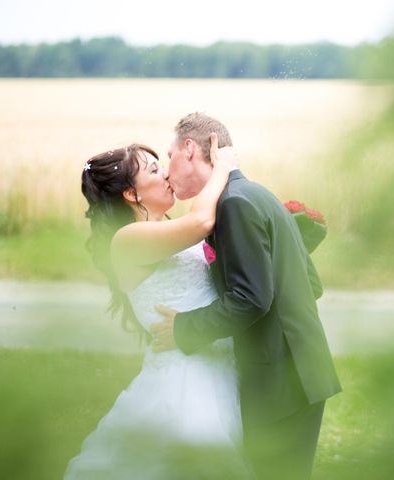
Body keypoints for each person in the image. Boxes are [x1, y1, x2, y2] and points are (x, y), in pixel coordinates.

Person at [151, 112, 342, 480]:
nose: (167, 168)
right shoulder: (254, 193)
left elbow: (251, 298)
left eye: (170, 154)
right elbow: (311, 284)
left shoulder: (233, 205)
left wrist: (184, 328)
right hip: (301, 372)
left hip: (280, 381)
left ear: (190, 149)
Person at [64, 136, 251, 479]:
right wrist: (222, 167)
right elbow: (200, 223)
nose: (167, 175)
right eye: (154, 170)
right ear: (131, 194)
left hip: (214, 365)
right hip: (184, 379)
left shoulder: (163, 228)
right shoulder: (127, 239)